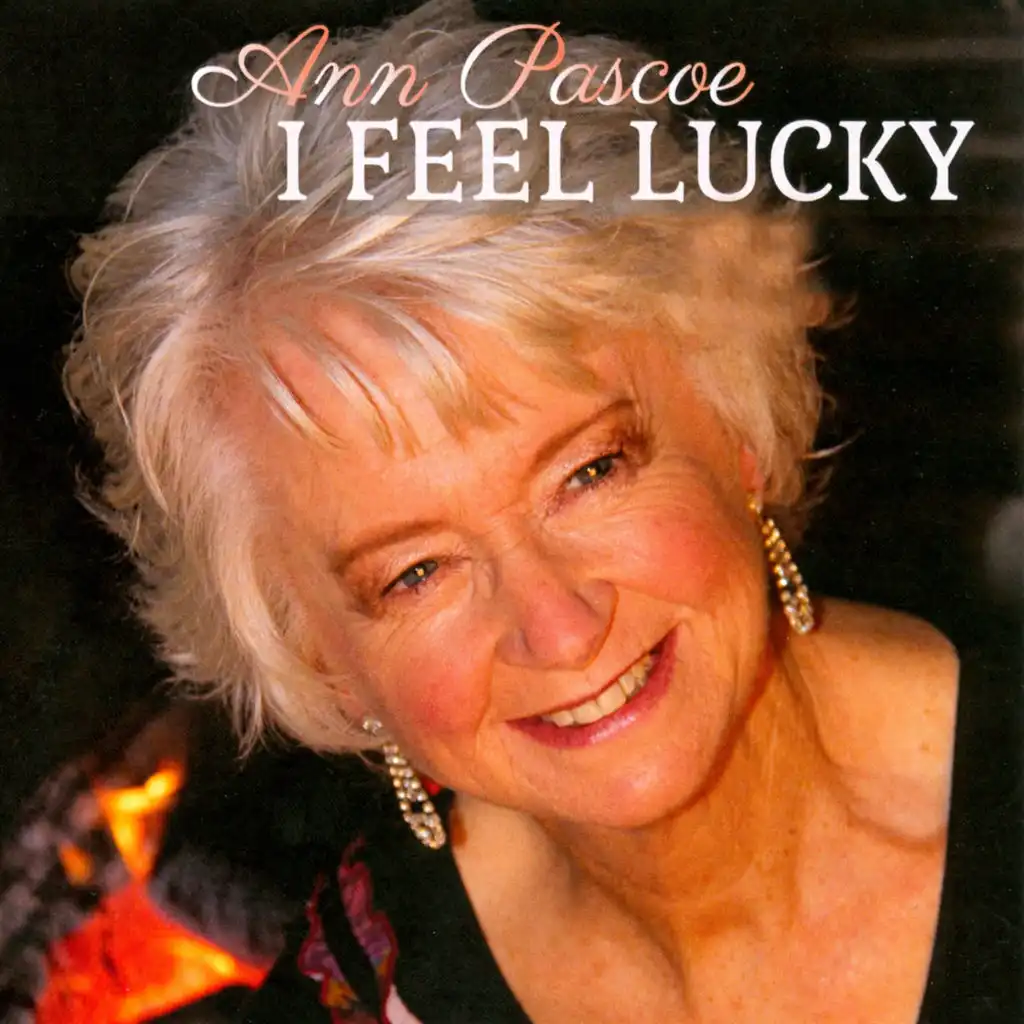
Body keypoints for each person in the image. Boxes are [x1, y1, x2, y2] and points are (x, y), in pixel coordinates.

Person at [62, 2, 972, 1021]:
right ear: (322, 661)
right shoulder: (363, 991)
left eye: (589, 472)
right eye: (415, 573)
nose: (560, 626)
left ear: (737, 428)